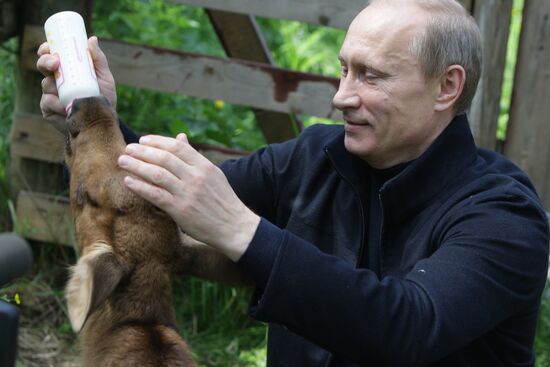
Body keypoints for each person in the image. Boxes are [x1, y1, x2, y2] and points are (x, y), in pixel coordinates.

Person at [37, 0, 549, 366]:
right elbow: (148, 212)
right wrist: (93, 120)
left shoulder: (503, 215)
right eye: (344, 71)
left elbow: (409, 329)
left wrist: (242, 231)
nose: (342, 97)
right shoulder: (315, 155)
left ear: (448, 86)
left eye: (370, 76)